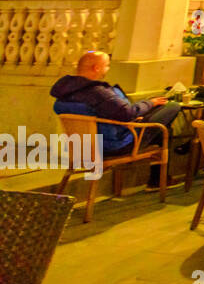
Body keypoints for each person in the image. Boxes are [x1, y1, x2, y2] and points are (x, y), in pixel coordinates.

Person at [50, 50, 183, 187]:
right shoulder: (97, 92)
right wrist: (151, 103)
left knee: (161, 128)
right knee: (172, 107)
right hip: (115, 146)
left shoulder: (66, 92)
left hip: (82, 146)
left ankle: (158, 180)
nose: (107, 69)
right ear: (96, 68)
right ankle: (159, 179)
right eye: (107, 65)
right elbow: (127, 113)